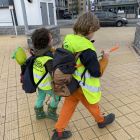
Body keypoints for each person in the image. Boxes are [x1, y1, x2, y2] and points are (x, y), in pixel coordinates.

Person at [51, 12, 115, 140]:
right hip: (84, 87)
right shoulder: (88, 50)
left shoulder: (68, 40)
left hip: (70, 83)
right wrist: (105, 59)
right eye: (94, 31)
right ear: (90, 29)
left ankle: (58, 131)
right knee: (93, 105)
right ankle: (101, 121)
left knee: (67, 107)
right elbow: (96, 72)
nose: (94, 34)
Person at [31, 28, 61, 120]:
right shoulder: (48, 57)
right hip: (47, 84)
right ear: (47, 42)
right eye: (51, 38)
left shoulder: (36, 52)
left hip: (39, 83)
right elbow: (53, 73)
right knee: (57, 96)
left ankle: (39, 113)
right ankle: (51, 112)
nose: (52, 40)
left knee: (41, 96)